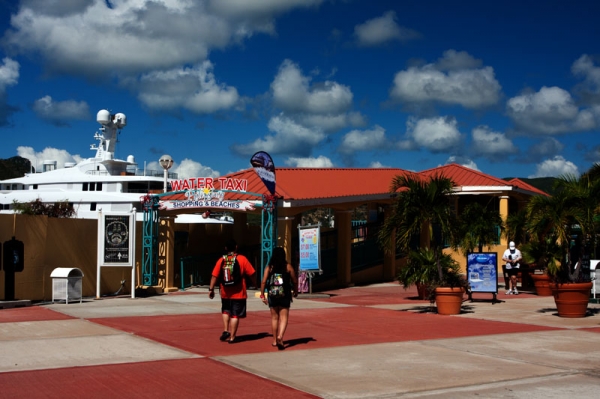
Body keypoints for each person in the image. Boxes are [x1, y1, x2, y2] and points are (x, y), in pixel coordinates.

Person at [208, 239, 256, 344]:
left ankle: (226, 330)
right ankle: (232, 337)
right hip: (239, 293)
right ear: (236, 247)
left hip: (225, 292)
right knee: (235, 315)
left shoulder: (221, 260)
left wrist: (211, 289)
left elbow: (214, 276)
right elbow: (252, 273)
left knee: (225, 310)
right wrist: (255, 283)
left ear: (226, 248)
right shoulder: (242, 259)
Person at [260, 247, 298, 350]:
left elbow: (263, 281)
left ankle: (274, 340)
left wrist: (262, 294)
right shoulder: (288, 267)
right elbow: (294, 280)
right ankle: (280, 336)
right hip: (285, 294)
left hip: (272, 295)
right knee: (284, 317)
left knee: (274, 318)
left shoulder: (269, 267)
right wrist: (295, 291)